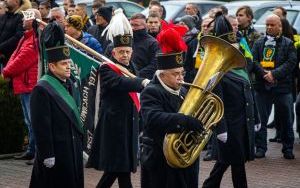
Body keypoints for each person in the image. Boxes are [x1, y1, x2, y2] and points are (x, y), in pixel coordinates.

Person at [87, 9, 150, 188]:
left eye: (127, 51)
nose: (125, 55)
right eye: (121, 51)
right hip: (114, 125)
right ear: (113, 53)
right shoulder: (107, 69)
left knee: (122, 168)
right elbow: (121, 83)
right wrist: (143, 82)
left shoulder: (132, 66)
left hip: (129, 123)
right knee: (118, 167)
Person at [140, 27, 204, 188]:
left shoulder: (183, 89)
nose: (181, 78)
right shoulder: (151, 91)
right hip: (160, 159)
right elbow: (152, 118)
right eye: (176, 74)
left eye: (182, 73)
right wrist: (184, 120)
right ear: (162, 74)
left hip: (184, 158)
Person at [202, 12, 260, 188]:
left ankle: (209, 186)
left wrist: (256, 117)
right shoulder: (219, 72)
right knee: (235, 163)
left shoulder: (241, 69)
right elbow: (217, 103)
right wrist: (221, 129)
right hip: (230, 125)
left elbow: (250, 94)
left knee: (227, 162)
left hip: (243, 123)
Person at [29, 22, 84, 188]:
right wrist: (47, 154)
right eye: (64, 64)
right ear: (52, 66)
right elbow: (41, 126)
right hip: (56, 151)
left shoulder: (72, 83)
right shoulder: (42, 89)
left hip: (72, 148)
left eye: (69, 62)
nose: (69, 67)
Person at [252, 14, 296, 160]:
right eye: (267, 25)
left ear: (280, 27)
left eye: (272, 25)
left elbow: (291, 63)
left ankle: (288, 148)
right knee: (261, 119)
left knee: (286, 119)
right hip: (262, 87)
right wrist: (265, 74)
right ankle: (260, 148)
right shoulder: (259, 42)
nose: (269, 28)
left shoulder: (288, 43)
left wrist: (274, 74)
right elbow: (254, 61)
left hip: (282, 88)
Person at [2, 9, 40, 163]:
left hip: (29, 85)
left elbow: (22, 59)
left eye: (26, 18)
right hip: (25, 84)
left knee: (33, 120)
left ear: (33, 21)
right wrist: (7, 70)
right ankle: (31, 150)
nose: (23, 20)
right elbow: (14, 56)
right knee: (29, 120)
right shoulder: (26, 37)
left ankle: (38, 152)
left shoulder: (35, 39)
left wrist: (5, 72)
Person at [0, 0, 31, 67]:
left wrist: (1, 48)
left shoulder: (23, 17)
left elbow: (18, 36)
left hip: (12, 59)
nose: (5, 0)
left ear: (17, 1)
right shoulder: (3, 16)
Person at [130, 13, 160, 79]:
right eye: (131, 25)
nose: (132, 28)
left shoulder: (153, 43)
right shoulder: (128, 40)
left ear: (144, 26)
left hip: (143, 80)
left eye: (136, 25)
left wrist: (136, 75)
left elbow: (154, 65)